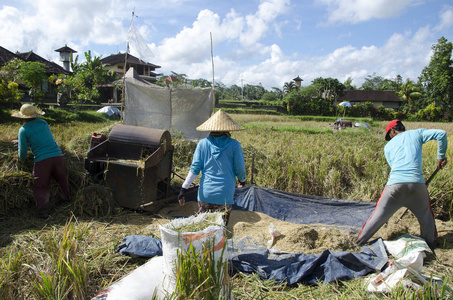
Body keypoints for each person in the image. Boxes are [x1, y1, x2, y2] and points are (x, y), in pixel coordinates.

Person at [356, 120, 448, 250]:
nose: (390, 138)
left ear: (393, 131)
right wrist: (441, 156)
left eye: (390, 135)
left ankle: (359, 241)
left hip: (395, 186)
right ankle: (431, 244)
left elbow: (394, 166)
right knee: (426, 215)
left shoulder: (387, 147)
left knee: (378, 215)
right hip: (417, 185)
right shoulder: (417, 133)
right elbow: (441, 134)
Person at [178, 109, 247, 226]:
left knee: (203, 228)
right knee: (220, 230)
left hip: (205, 194)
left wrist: (183, 189)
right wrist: (242, 180)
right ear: (227, 128)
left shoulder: (203, 144)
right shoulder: (234, 145)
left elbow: (195, 169)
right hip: (224, 195)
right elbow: (240, 168)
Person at [12, 104, 70, 219]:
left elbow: (22, 151)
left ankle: (43, 211)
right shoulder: (43, 123)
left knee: (41, 185)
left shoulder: (23, 130)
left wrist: (21, 163)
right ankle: (67, 202)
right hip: (58, 157)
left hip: (42, 160)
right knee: (62, 179)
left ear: (23, 117)